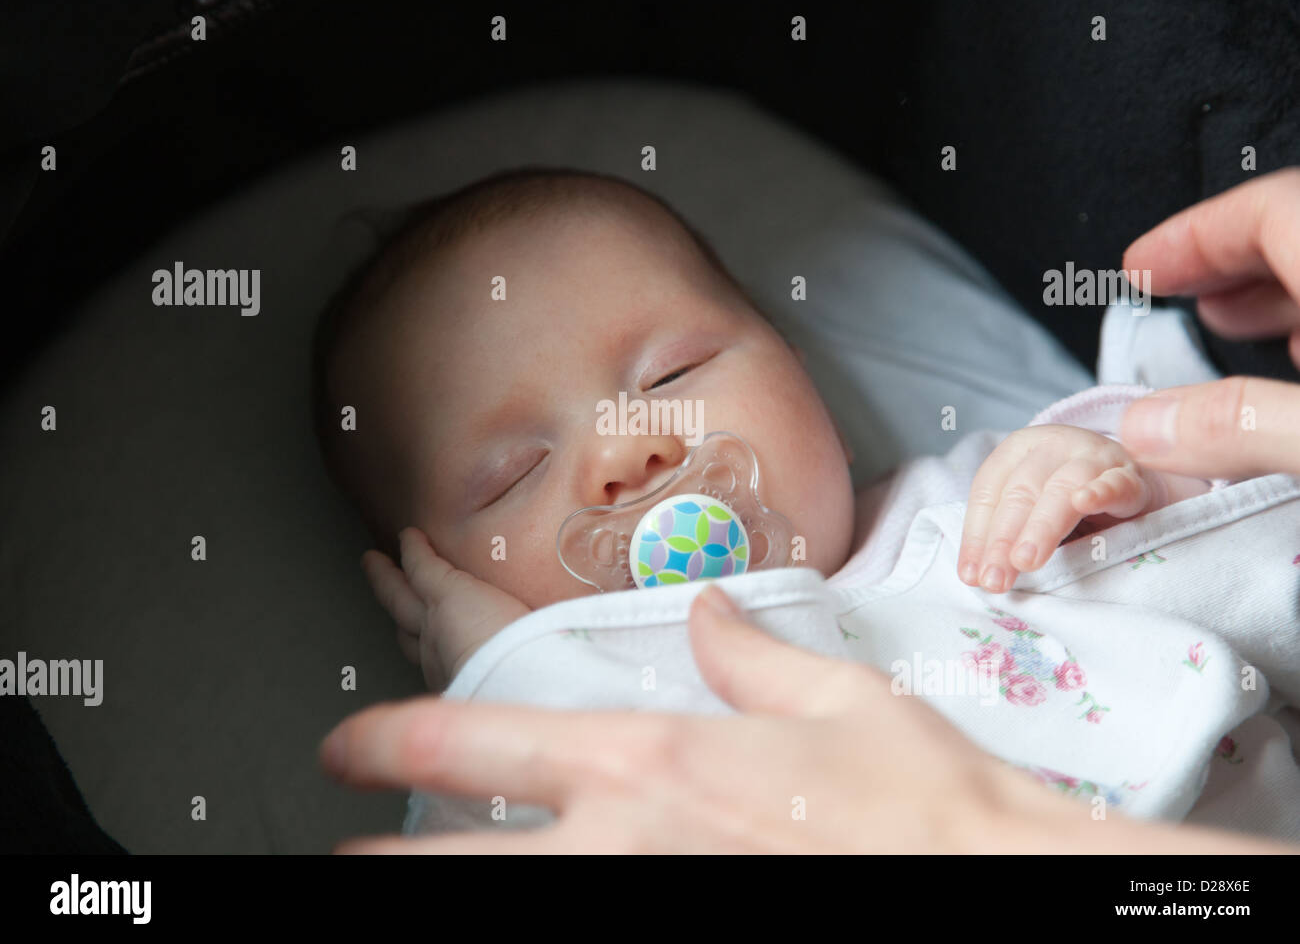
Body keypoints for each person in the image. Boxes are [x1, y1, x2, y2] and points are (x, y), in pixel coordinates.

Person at [319, 168, 1300, 853]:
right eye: (511, 473)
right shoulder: (560, 732)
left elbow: (1261, 573)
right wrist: (511, 674)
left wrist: (1123, 477)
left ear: (795, 365)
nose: (628, 448)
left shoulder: (971, 511)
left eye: (673, 371)